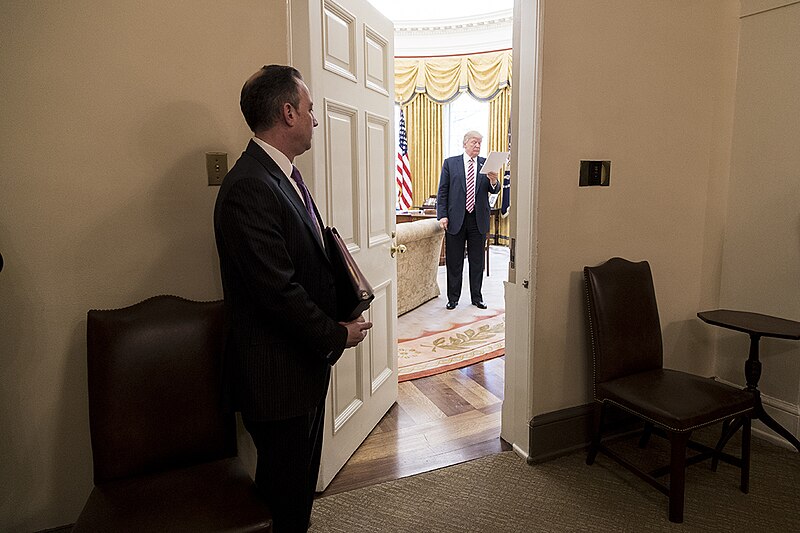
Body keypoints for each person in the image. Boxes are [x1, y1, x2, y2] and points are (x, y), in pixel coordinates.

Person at [213, 65, 372, 532]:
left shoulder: (280, 176)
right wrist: (335, 333)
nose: (315, 119)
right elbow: (277, 292)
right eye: (309, 109)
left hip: (299, 367)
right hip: (277, 377)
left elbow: (305, 261)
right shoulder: (249, 187)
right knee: (284, 499)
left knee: (297, 490)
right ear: (287, 112)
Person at [436, 131, 501, 310]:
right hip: (456, 219)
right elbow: (443, 191)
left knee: (477, 261)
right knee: (454, 261)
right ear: (465, 144)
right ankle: (453, 298)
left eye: (480, 143)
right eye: (474, 142)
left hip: (477, 220)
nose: (478, 146)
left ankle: (477, 297)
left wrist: (494, 181)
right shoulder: (451, 163)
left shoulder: (486, 165)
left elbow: (494, 190)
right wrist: (442, 215)